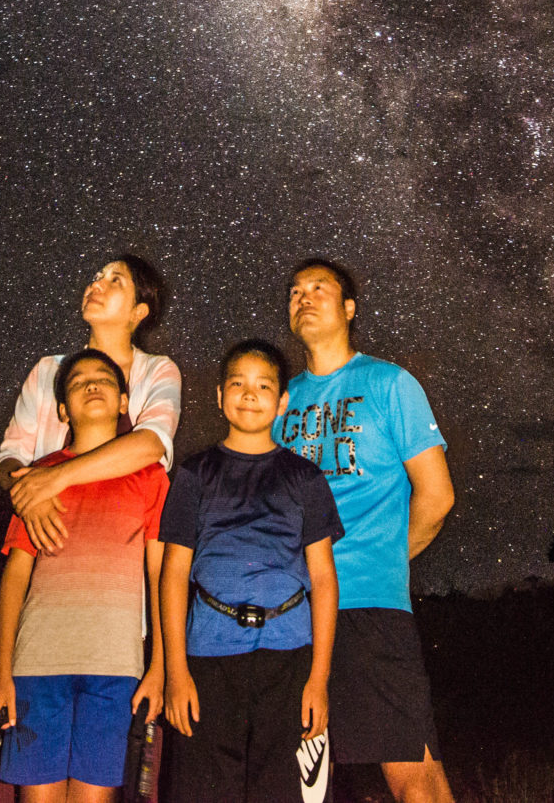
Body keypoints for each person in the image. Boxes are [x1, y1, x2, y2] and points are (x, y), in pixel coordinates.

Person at [275, 259, 457, 803]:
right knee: (303, 784)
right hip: (293, 614)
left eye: (319, 289)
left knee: (413, 774)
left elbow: (437, 495)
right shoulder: (279, 401)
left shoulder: (388, 383)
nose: (304, 298)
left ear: (349, 308)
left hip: (368, 608)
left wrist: (383, 559)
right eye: (295, 292)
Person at [161, 339, 342, 803]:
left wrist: (318, 680)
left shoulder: (305, 477)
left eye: (264, 385)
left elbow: (322, 577)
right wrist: (175, 672)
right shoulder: (194, 473)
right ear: (220, 395)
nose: (249, 393)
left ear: (282, 402)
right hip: (209, 656)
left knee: (277, 790)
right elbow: (174, 573)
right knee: (203, 789)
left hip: (289, 655)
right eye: (238, 383)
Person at [0, 348, 172, 803]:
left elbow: (159, 576)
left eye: (105, 379)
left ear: (125, 401)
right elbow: (15, 576)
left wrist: (160, 667)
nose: (92, 385)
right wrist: (1, 674)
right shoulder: (39, 478)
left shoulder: (151, 478)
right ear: (62, 410)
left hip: (115, 667)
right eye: (78, 382)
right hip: (36, 666)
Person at [0, 253, 181, 552]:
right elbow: (10, 457)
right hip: (50, 538)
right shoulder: (48, 371)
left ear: (138, 312)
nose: (96, 285)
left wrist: (54, 479)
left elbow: (151, 444)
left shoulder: (157, 371)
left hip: (123, 543)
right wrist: (28, 497)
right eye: (97, 277)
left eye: (114, 281)